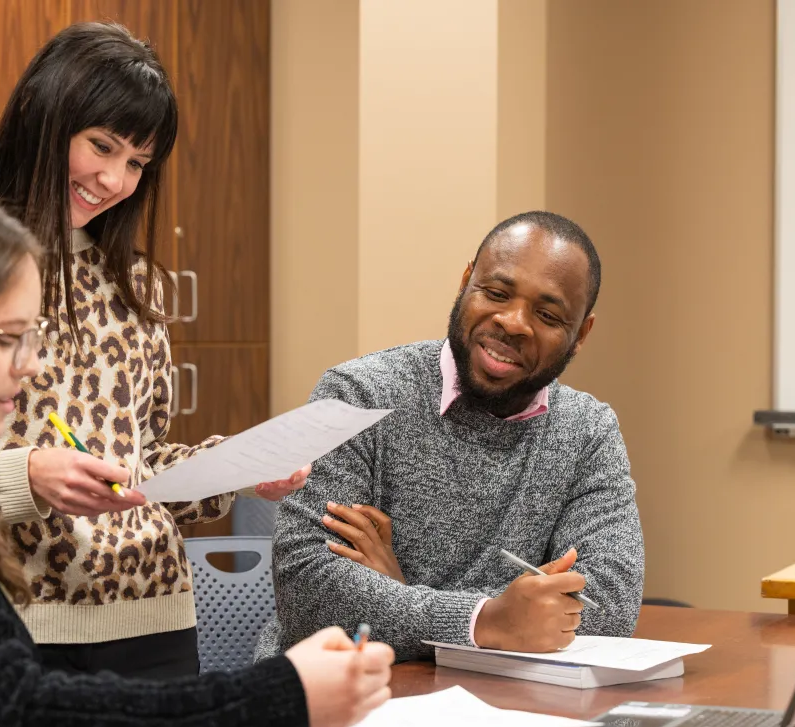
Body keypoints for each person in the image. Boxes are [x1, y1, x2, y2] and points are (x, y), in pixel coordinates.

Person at [0, 188, 394, 727]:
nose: (26, 367)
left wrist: (235, 467)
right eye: (6, 338)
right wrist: (283, 698)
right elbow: (5, 722)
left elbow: (5, 718)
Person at [0, 22, 307, 678]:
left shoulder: (138, 284)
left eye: (137, 164)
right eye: (102, 146)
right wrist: (26, 475)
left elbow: (138, 470)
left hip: (156, 622)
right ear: (42, 115)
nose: (115, 180)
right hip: (9, 619)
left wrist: (234, 470)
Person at [255, 211, 645, 663]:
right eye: (496, 293)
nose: (514, 322)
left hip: (506, 704)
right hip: (343, 699)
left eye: (547, 314)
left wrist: (403, 594)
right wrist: (485, 621)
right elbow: (309, 593)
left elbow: (609, 605)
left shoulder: (588, 431)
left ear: (582, 335)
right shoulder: (357, 396)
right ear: (465, 282)